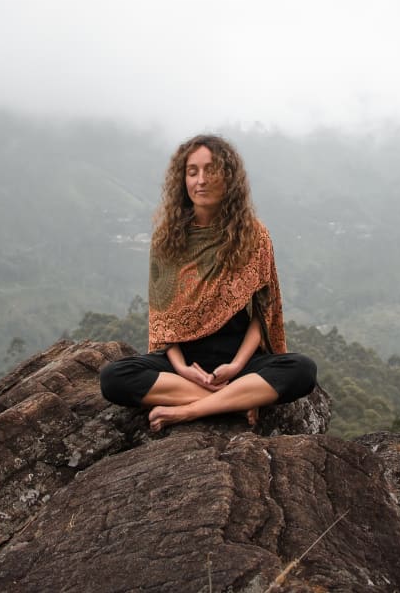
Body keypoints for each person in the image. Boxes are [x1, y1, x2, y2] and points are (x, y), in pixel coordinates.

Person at [100, 134, 317, 432]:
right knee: (113, 378)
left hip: (238, 361)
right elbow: (163, 321)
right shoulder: (167, 239)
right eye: (192, 172)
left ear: (228, 177)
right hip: (185, 363)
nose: (200, 180)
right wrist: (182, 369)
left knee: (302, 371)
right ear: (183, 180)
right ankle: (235, 401)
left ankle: (190, 410)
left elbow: (263, 314)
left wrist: (238, 367)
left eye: (210, 170)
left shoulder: (254, 236)